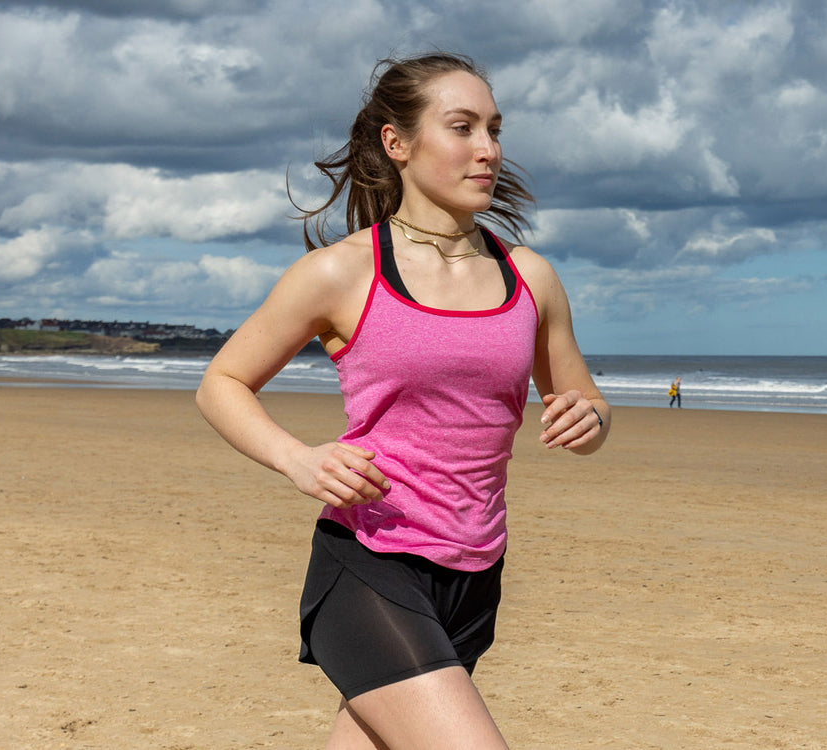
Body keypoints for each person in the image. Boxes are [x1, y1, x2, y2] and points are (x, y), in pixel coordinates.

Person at [196, 52, 609, 749]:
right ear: (398, 143)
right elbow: (221, 383)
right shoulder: (341, 272)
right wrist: (298, 460)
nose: (489, 150)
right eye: (463, 127)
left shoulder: (528, 277)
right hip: (370, 563)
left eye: (494, 129)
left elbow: (585, 402)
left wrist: (587, 418)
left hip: (476, 574)